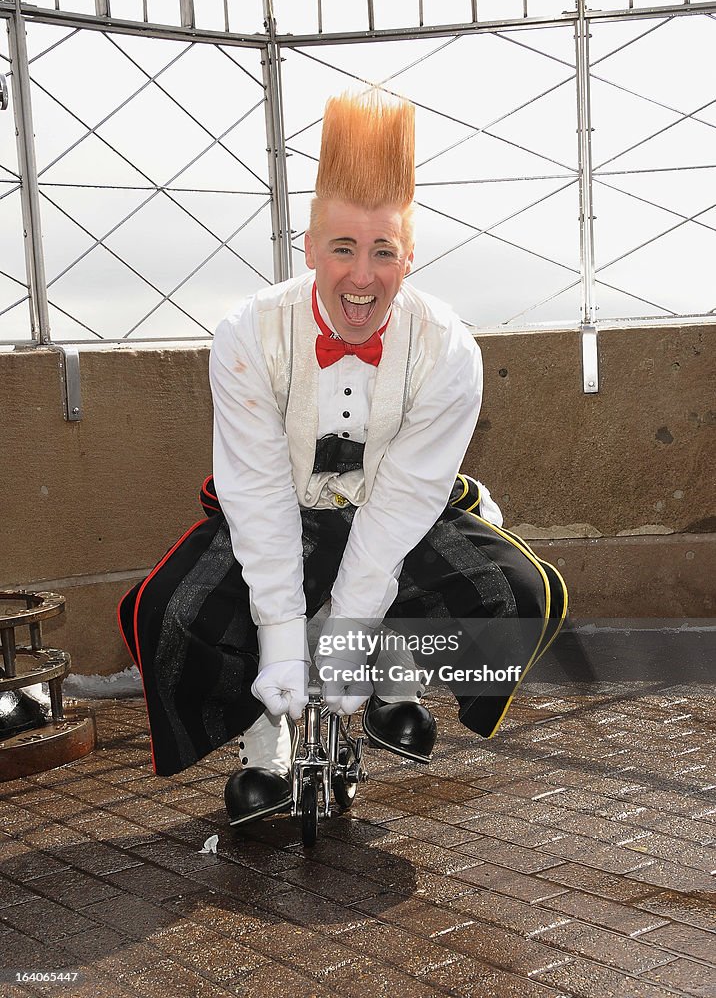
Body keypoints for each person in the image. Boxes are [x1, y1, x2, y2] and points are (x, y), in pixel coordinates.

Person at [118, 90, 567, 827]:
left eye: (383, 251)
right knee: (172, 613)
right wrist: (287, 649)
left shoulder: (449, 348)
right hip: (283, 506)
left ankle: (399, 666)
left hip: (397, 510)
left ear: (409, 254)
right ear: (309, 248)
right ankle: (265, 732)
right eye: (344, 249)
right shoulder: (247, 335)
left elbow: (403, 502)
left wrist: (355, 630)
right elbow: (257, 495)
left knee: (511, 594)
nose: (362, 278)